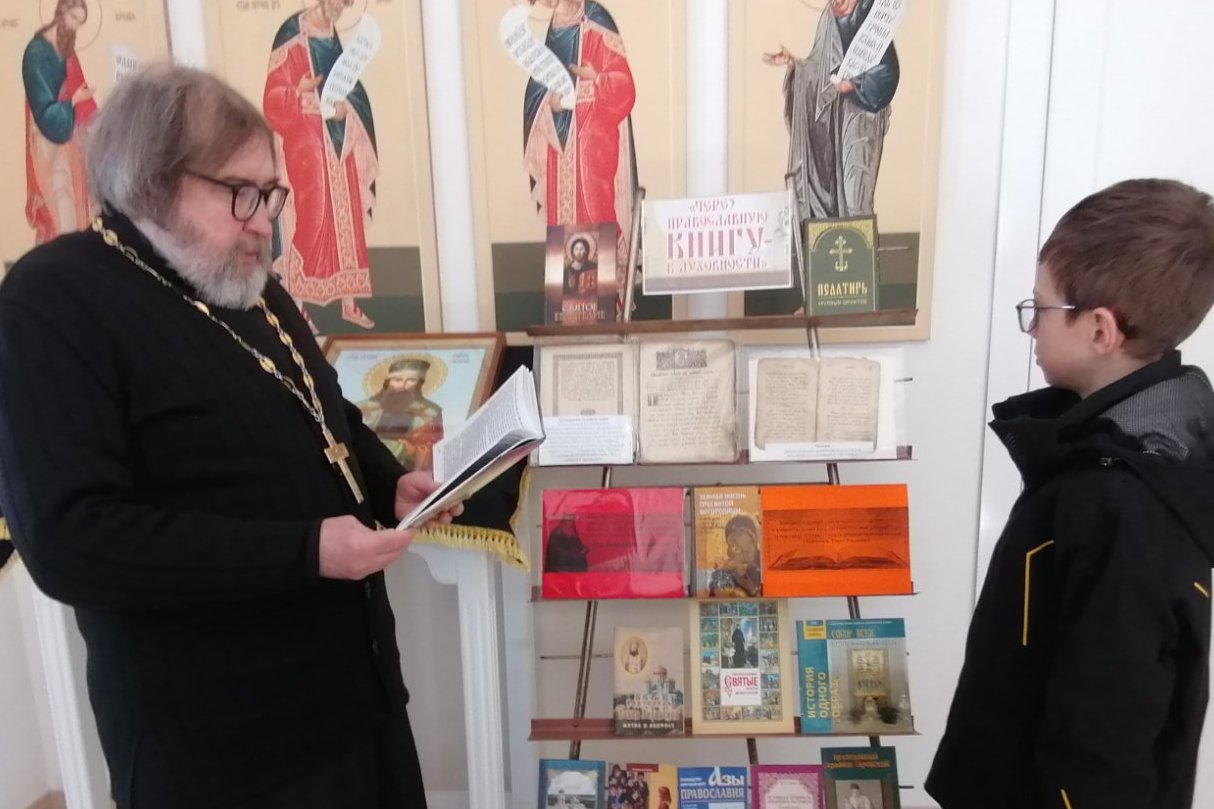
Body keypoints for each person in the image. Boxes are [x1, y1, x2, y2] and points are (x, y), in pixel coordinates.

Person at [0, 63, 462, 809]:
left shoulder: (244, 281)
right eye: (240, 192)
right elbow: (69, 539)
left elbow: (326, 413)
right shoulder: (54, 300)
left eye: (271, 194)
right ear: (153, 183)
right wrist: (306, 550)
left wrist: (389, 483)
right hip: (221, 751)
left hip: (357, 704)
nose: (263, 220)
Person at [927, 179, 1214, 809]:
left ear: (1100, 330)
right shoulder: (1098, 454)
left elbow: (1107, 728)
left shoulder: (1125, 502)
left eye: (1041, 308)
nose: (1032, 328)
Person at [264, 0, 379, 329]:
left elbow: (349, 88)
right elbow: (272, 98)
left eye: (346, 2)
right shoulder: (292, 33)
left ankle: (349, 303)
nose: (340, 6)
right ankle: (298, 305)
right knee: (311, 216)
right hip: (305, 142)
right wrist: (299, 93)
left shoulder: (333, 35)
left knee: (347, 219)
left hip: (337, 143)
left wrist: (346, 109)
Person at [522, 0, 637, 309]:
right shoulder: (549, 33)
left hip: (593, 143)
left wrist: (595, 79)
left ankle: (605, 304)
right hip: (561, 148)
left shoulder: (597, 23)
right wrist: (551, 103)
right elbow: (536, 94)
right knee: (565, 218)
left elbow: (624, 87)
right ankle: (571, 309)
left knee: (595, 208)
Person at [763, 0, 900, 220]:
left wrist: (855, 84)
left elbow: (888, 71)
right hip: (836, 116)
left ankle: (860, 242)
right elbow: (820, 69)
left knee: (856, 195)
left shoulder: (871, 10)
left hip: (862, 117)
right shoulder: (830, 16)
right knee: (837, 194)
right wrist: (795, 65)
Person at [22, 0, 97, 244]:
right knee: (59, 192)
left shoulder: (66, 50)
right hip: (46, 133)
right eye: (74, 19)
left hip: (69, 131)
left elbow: (78, 87)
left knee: (74, 194)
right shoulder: (35, 53)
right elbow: (43, 108)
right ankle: (62, 251)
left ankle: (74, 250)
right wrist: (73, 100)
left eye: (80, 23)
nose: (75, 27)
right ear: (61, 14)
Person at [357, 358, 444, 472]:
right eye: (397, 380)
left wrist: (412, 451)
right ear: (387, 381)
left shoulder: (430, 412)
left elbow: (433, 453)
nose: (403, 385)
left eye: (411, 380)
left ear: (419, 383)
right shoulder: (362, 407)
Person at [708, 514, 761, 597]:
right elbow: (713, 598)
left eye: (738, 535)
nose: (733, 544)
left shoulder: (765, 566)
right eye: (730, 540)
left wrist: (751, 588)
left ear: (753, 537)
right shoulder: (728, 569)